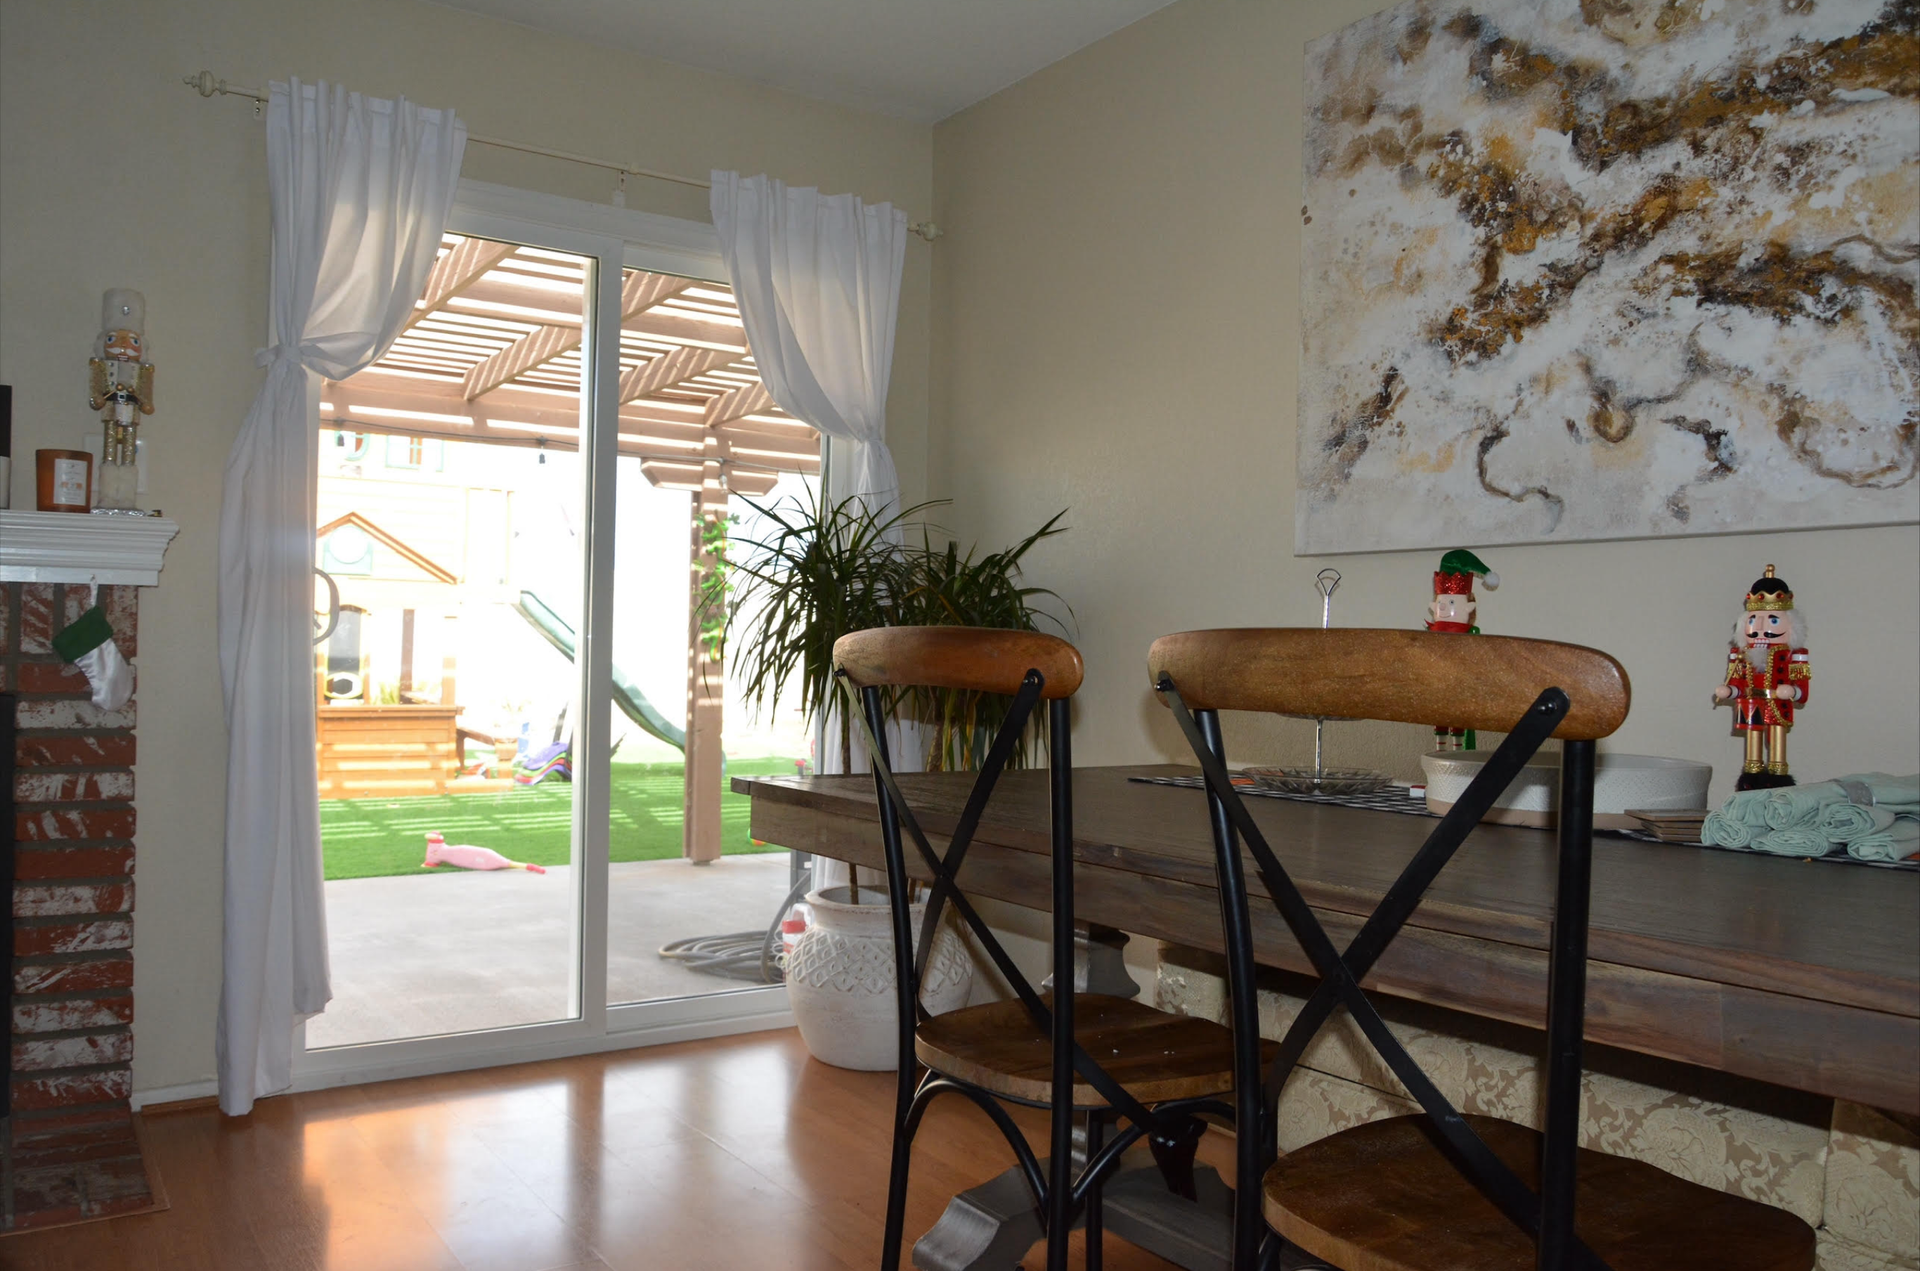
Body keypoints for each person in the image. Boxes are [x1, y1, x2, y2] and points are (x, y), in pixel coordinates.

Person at [1713, 565, 1810, 791]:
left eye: (1773, 621)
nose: (1762, 628)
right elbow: (1736, 681)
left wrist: (1793, 691)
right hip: (1749, 704)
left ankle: (1777, 772)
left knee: (1776, 737)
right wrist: (1729, 691)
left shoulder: (1794, 656)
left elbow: (1802, 689)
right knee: (1753, 737)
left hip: (1777, 704)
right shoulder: (1741, 654)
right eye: (1755, 621)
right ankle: (1752, 772)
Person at [1426, 549, 1498, 749]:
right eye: (1441, 603)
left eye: (1450, 603)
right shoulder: (1430, 637)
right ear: (1434, 606)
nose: (1443, 608)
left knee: (1458, 716)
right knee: (1440, 713)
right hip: (1439, 689)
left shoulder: (1472, 636)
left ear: (1468, 607)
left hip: (1460, 690)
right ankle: (1440, 750)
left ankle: (1458, 752)